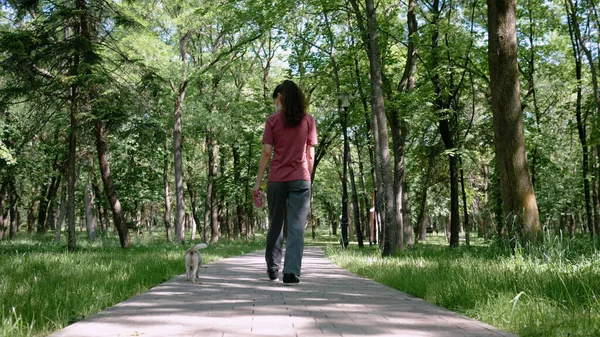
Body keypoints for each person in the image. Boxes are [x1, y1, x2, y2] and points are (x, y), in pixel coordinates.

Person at [252, 80, 317, 284]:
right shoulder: (308, 121)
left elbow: (266, 152)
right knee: (297, 226)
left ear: (280, 96)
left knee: (276, 223)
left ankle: (273, 268)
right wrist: (308, 180)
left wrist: (258, 183)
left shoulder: (272, 121)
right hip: (300, 179)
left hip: (277, 180)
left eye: (275, 99)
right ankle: (291, 272)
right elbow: (310, 156)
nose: (275, 104)